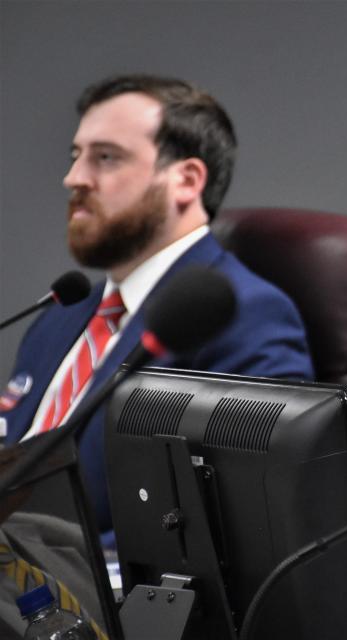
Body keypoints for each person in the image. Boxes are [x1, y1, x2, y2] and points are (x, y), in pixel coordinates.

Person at [0, 75, 314, 539]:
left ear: (185, 180)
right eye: (75, 157)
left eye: (105, 157)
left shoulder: (243, 317)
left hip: (93, 596)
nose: (73, 178)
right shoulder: (63, 312)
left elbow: (235, 523)